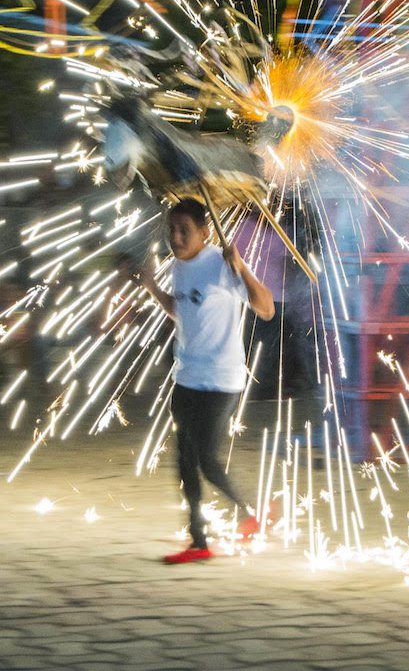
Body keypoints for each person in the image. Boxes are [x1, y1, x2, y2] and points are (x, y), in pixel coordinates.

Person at [137, 197, 275, 564]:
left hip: (221, 380)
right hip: (186, 377)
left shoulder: (219, 264)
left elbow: (266, 306)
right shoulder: (180, 267)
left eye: (185, 231)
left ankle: (250, 514)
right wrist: (153, 288)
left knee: (208, 460)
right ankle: (198, 542)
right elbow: (182, 311)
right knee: (184, 462)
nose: (176, 238)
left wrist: (242, 268)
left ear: (205, 232)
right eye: (172, 230)